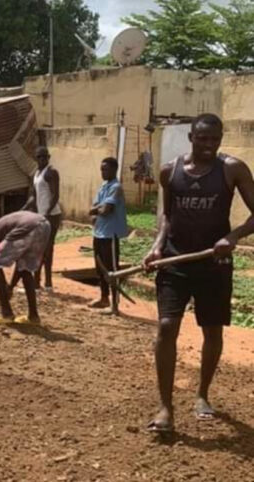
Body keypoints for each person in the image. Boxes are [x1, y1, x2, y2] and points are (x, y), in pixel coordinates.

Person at [143, 114, 254, 433]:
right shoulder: (170, 171)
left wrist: (232, 237)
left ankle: (202, 394)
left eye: (215, 139)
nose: (209, 145)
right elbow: (167, 216)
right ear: (191, 136)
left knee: (212, 330)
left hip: (214, 265)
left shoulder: (233, 169)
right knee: (166, 327)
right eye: (203, 138)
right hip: (175, 262)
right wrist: (156, 246)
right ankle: (165, 407)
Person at [88, 157, 128, 312]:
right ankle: (104, 298)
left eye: (105, 169)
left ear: (113, 169)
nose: (102, 172)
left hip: (110, 234)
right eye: (101, 169)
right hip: (99, 232)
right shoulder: (103, 186)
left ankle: (115, 303)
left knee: (112, 269)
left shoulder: (116, 187)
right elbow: (96, 207)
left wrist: (96, 209)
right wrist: (97, 209)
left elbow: (105, 210)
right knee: (100, 268)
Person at [22, 146, 61, 291]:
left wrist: (47, 213)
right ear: (36, 158)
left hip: (51, 216)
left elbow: (55, 196)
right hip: (41, 216)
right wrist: (24, 208)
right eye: (39, 157)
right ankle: (36, 282)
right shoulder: (37, 174)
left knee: (47, 249)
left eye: (44, 157)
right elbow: (34, 196)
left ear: (48, 158)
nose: (42, 159)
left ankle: (48, 283)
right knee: (38, 249)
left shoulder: (51, 173)